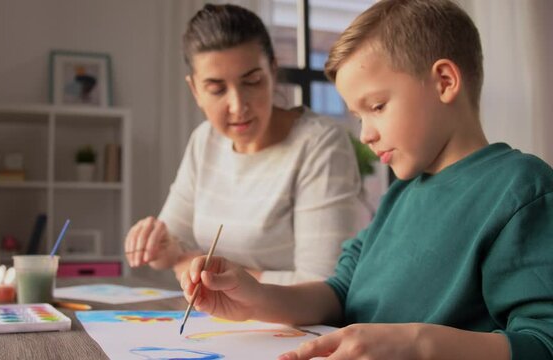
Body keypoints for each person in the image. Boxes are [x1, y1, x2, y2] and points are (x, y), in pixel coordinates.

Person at [180, 0, 553, 359]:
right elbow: (340, 294)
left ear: (443, 81)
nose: (365, 134)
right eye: (358, 116)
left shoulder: (521, 189)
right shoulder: (400, 195)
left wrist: (418, 344)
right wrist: (254, 298)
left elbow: (543, 342)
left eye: (376, 107)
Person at [124, 4, 363, 285]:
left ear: (273, 71)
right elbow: (175, 247)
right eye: (217, 89)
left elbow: (325, 285)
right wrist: (156, 246)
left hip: (298, 327)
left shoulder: (320, 144)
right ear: (195, 90)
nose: (238, 106)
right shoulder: (205, 141)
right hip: (217, 323)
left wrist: (213, 275)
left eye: (252, 81)